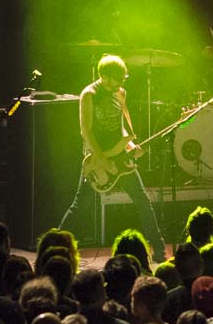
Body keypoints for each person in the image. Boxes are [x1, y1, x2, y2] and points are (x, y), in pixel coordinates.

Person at [59, 54, 167, 261]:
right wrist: (102, 159)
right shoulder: (89, 94)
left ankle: (160, 251)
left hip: (121, 158)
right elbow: (86, 132)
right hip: (97, 160)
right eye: (119, 78)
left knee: (143, 202)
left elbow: (121, 126)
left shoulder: (120, 93)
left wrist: (131, 145)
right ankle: (52, 247)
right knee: (79, 206)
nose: (121, 82)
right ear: (106, 76)